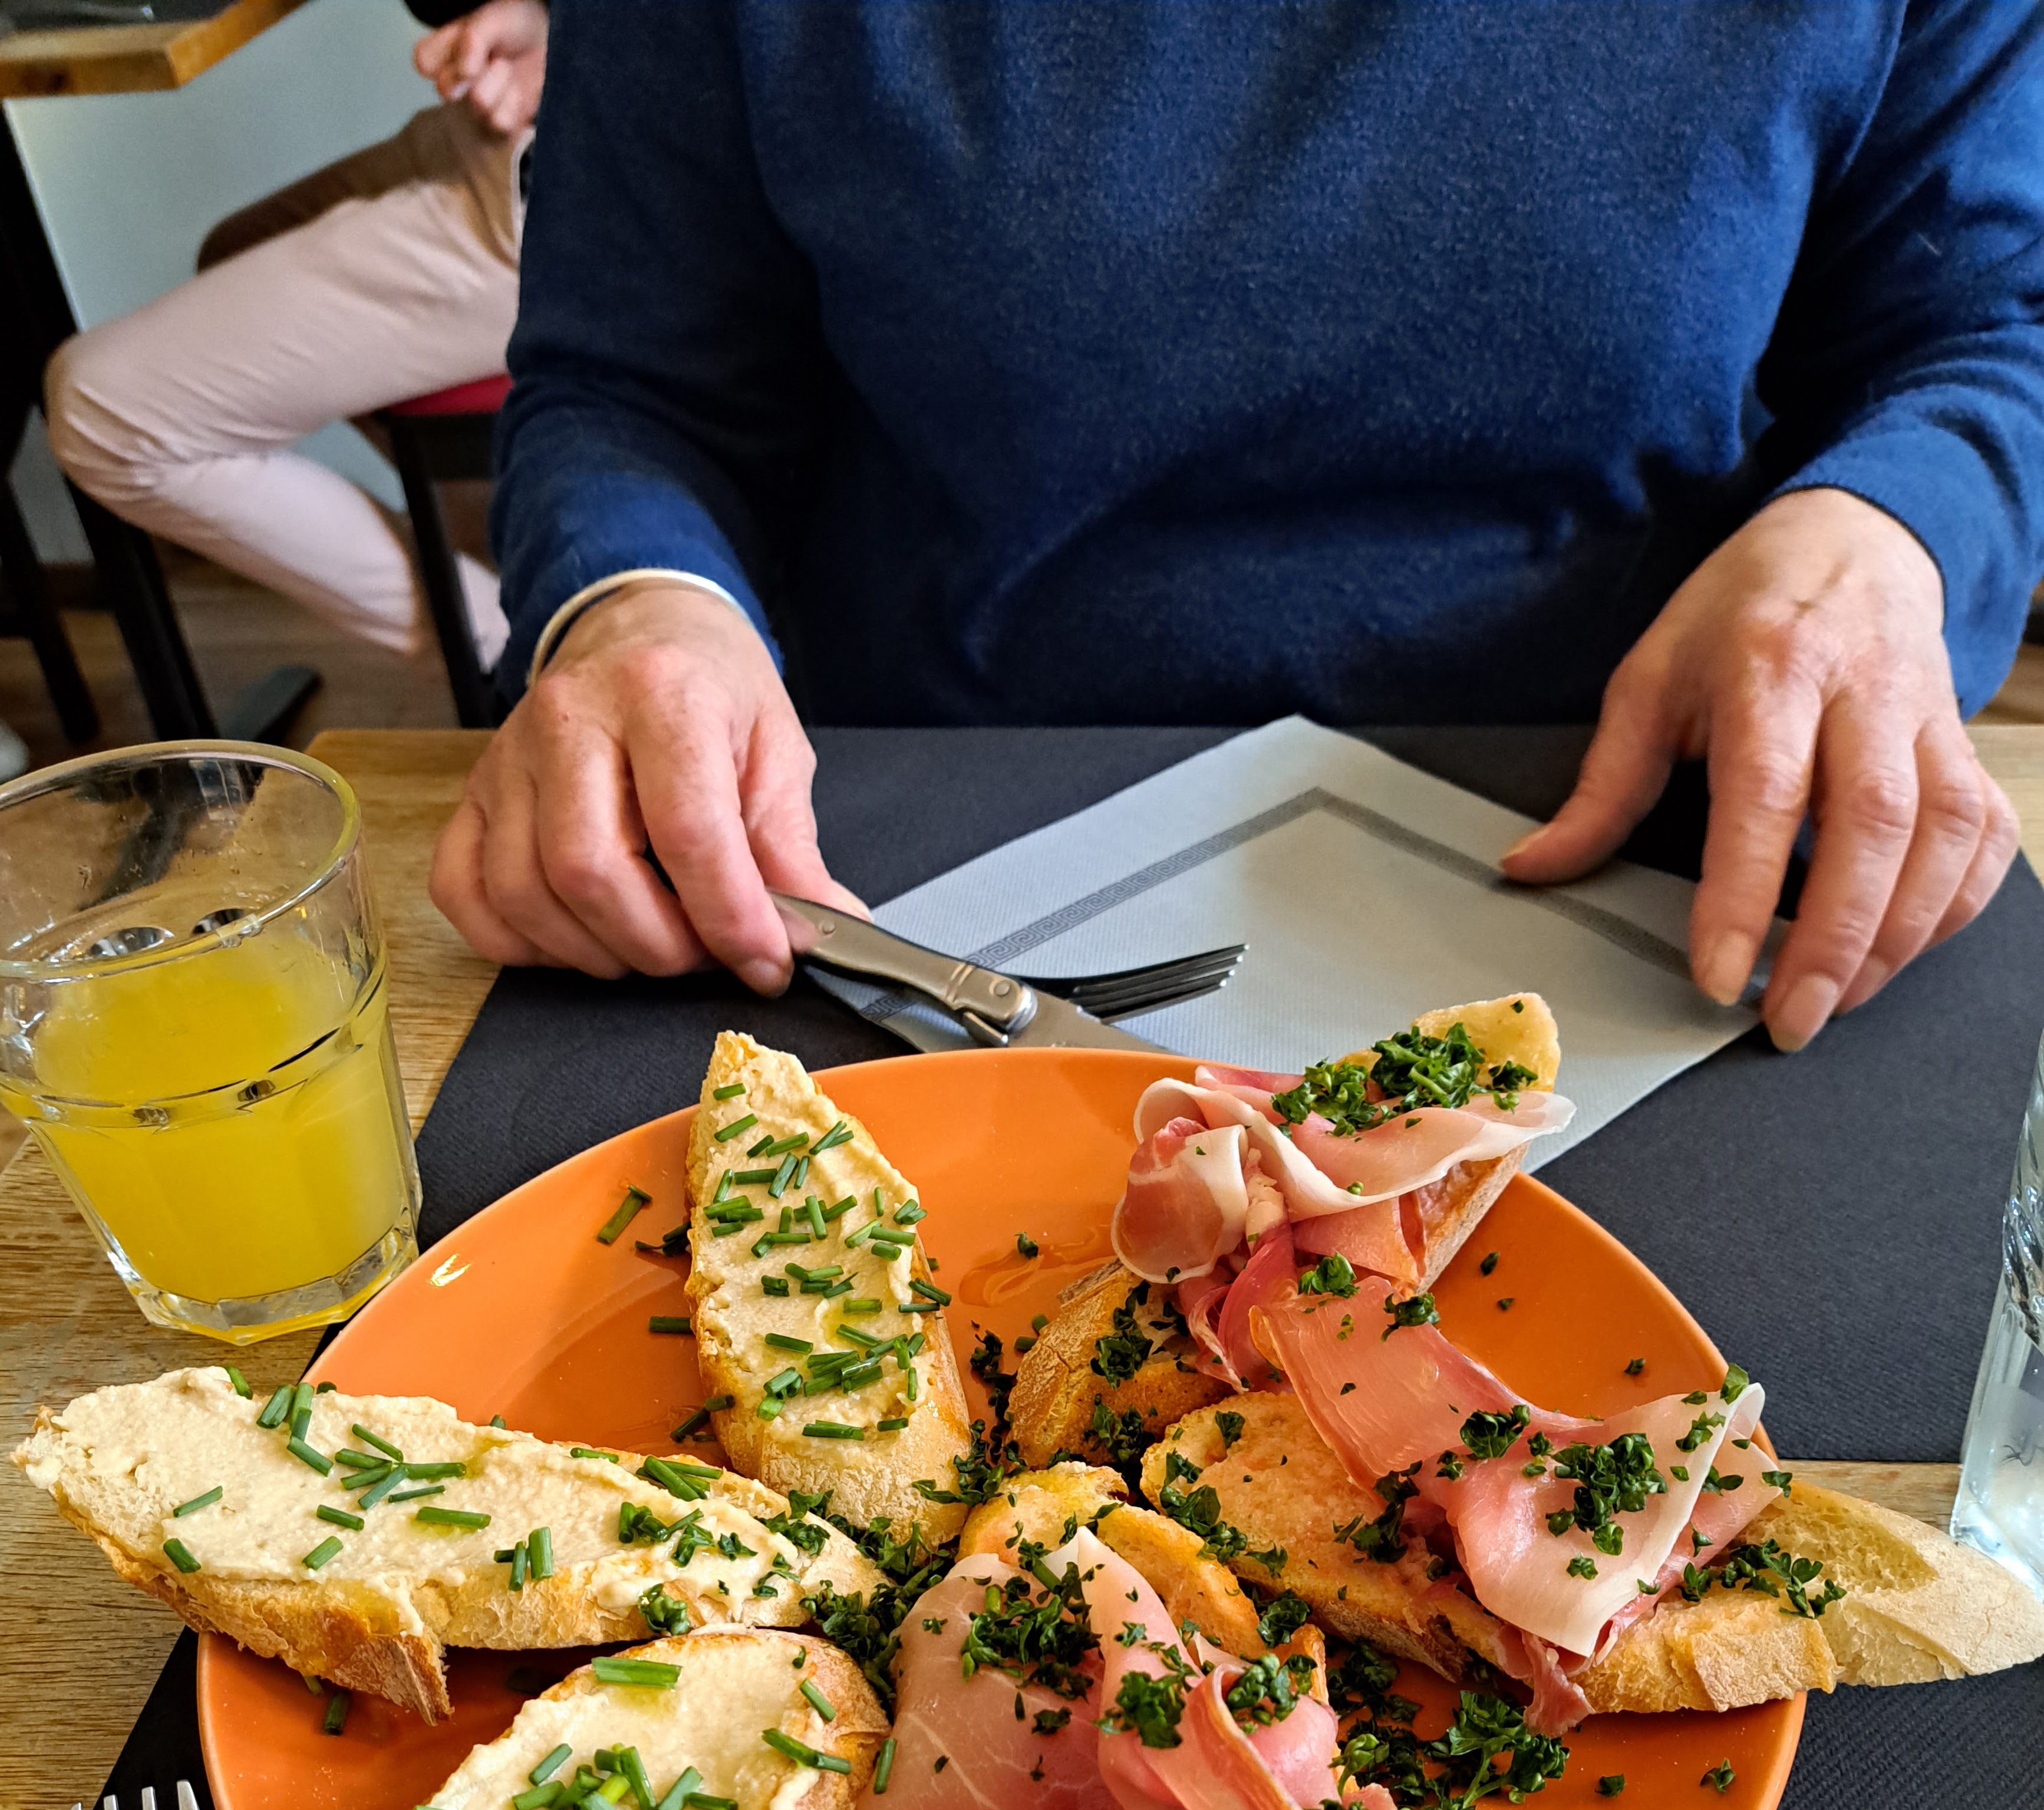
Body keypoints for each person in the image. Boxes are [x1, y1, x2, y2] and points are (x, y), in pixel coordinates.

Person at [433, 1, 2044, 1051]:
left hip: (1645, 851)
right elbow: (631, 386)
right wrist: (639, 602)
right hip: (893, 875)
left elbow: (1985, 327)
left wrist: (1886, 527)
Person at [42, 0, 548, 677]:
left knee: (102, 412)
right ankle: (510, 565)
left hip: (567, 178)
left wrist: (580, 38)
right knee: (236, 252)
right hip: (490, 117)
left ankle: (522, 646)